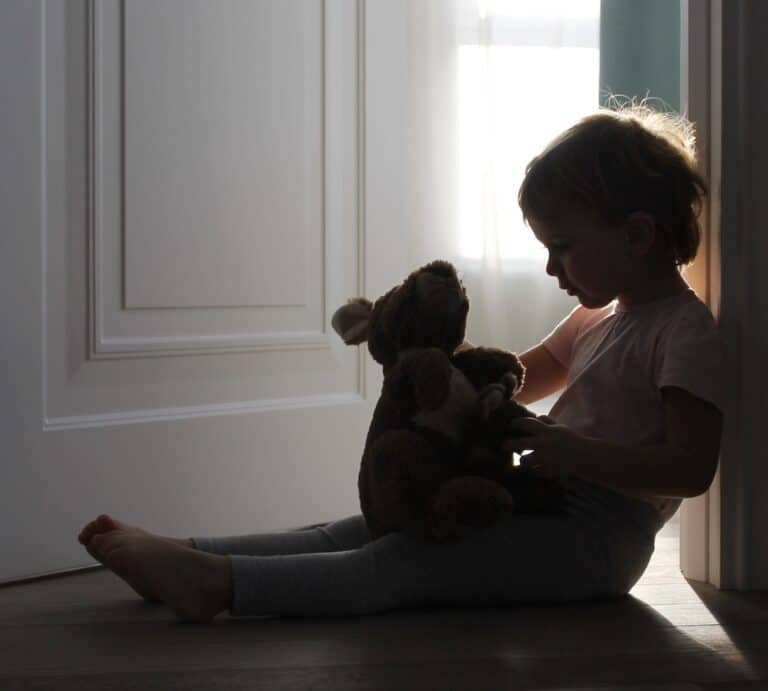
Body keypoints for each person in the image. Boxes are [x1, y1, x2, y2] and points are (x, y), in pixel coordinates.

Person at [77, 104, 726, 624]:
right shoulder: (598, 317)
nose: (553, 267)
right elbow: (519, 372)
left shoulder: (683, 332)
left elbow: (690, 468)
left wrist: (572, 452)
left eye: (562, 247)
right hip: (539, 494)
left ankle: (218, 586)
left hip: (597, 539)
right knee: (367, 524)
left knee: (402, 560)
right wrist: (446, 362)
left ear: (638, 235)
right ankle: (195, 553)